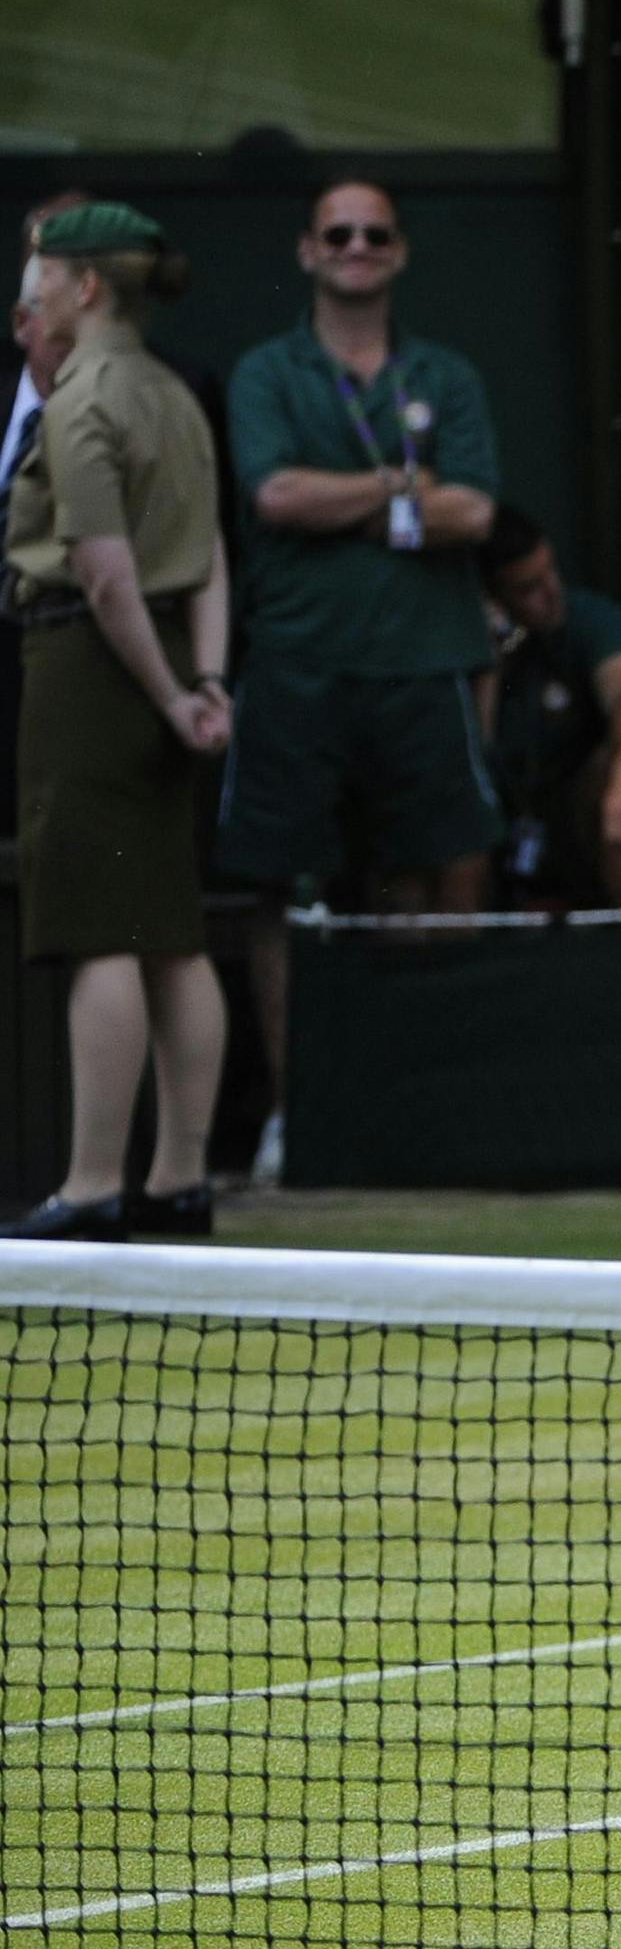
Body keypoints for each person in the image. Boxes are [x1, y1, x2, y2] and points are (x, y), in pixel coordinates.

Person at [216, 179, 507, 1186]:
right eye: (337, 233)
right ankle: (301, 1117)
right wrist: (396, 487)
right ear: (306, 251)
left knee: (434, 881)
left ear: (400, 253)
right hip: (299, 667)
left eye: (375, 233)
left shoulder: (445, 376)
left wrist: (362, 500)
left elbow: (475, 513)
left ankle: (421, 1112)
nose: (356, 246)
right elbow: (277, 494)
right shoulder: (269, 372)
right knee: (283, 898)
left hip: (423, 665)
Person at [3, 205, 231, 1241]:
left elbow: (100, 573)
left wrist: (162, 693)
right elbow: (211, 554)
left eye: (43, 276)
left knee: (103, 932)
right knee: (172, 933)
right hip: (175, 667)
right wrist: (206, 682)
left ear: (86, 288)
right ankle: (179, 1179)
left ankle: (94, 1185)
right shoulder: (177, 394)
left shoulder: (83, 399)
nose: (31, 295)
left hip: (97, 674)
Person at [477, 506, 621, 907]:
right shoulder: (469, 645)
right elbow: (476, 750)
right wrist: (489, 664)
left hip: (569, 821)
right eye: (530, 587)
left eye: (551, 571)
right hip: (492, 828)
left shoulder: (585, 617)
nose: (552, 592)